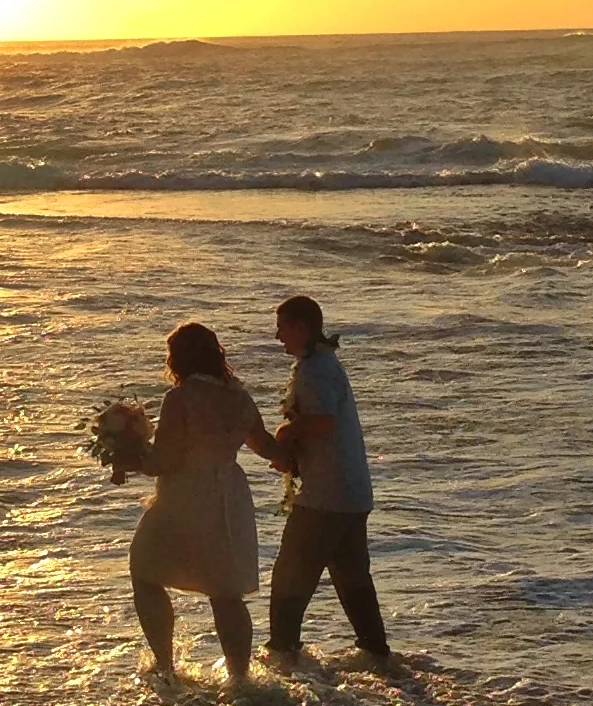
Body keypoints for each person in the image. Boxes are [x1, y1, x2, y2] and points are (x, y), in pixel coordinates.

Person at [127, 320, 278, 684]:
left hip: (185, 498)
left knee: (145, 571)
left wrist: (131, 452)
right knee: (225, 591)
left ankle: (165, 665)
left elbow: (165, 460)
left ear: (178, 360)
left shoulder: (180, 398)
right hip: (229, 497)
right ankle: (240, 678)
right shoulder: (239, 396)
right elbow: (265, 446)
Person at [266, 292, 393, 660]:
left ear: (302, 328)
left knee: (291, 572)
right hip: (352, 493)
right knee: (352, 577)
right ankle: (376, 651)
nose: (278, 337)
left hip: (327, 495)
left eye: (282, 328)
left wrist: (286, 434)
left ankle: (282, 651)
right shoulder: (326, 362)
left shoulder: (314, 369)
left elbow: (323, 422)